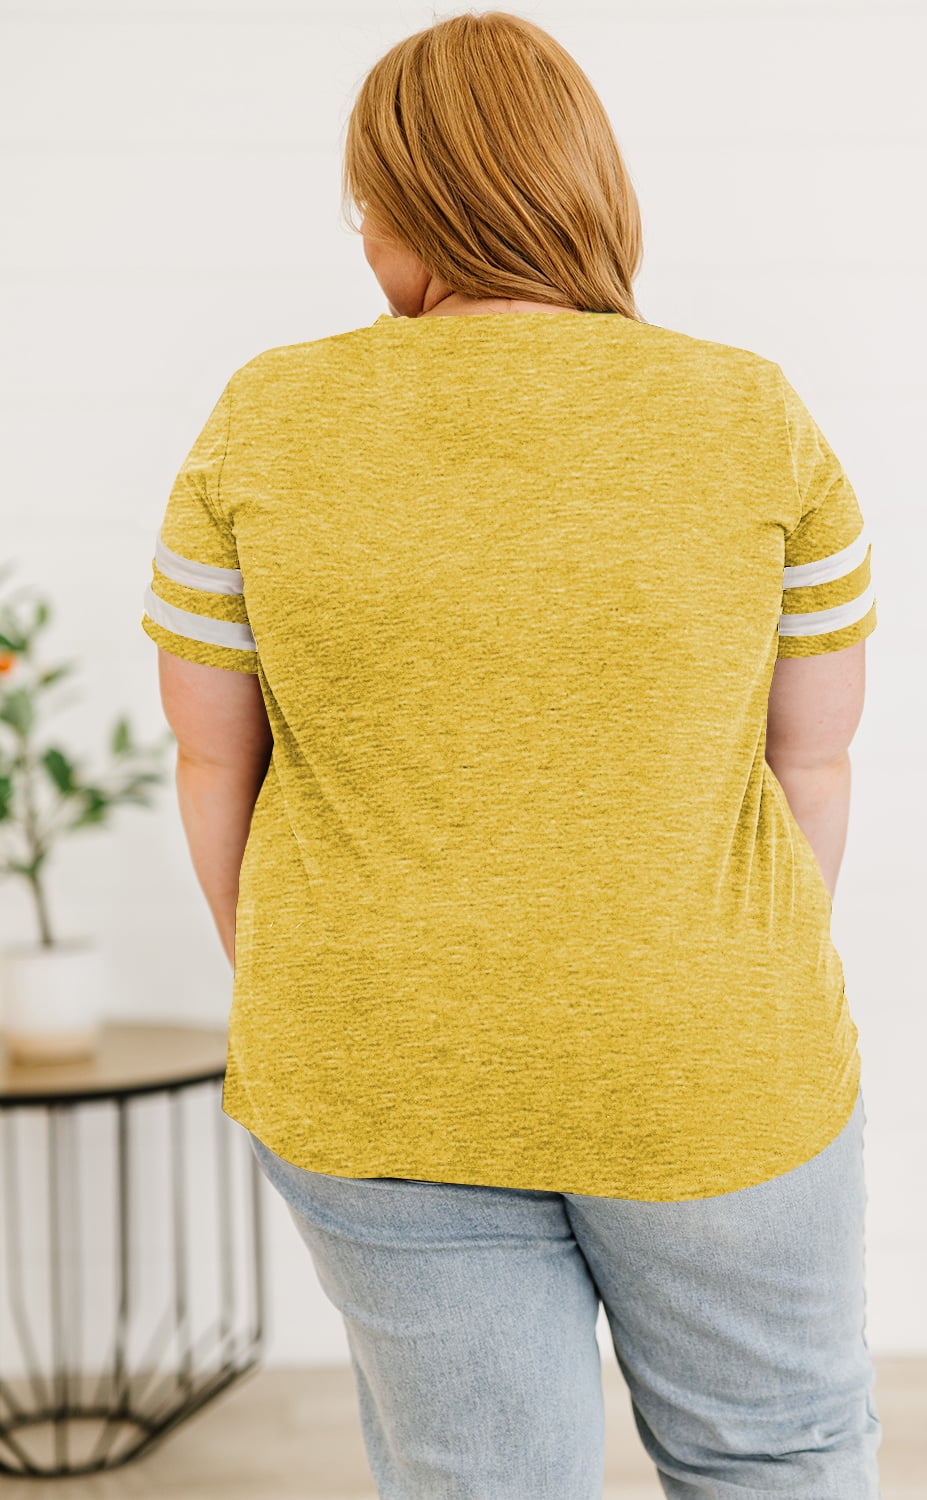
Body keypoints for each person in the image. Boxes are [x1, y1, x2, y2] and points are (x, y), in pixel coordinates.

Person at [140, 10, 881, 1497]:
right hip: (706, 1054)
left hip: (376, 1050)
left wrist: (323, 988)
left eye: (364, 209)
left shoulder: (265, 416)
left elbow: (215, 765)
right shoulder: (750, 413)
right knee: (775, 1456)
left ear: (411, 208)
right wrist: (705, 982)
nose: (363, 244)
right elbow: (810, 761)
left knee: (480, 1479)